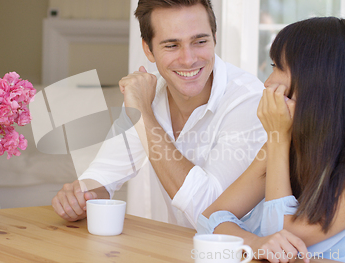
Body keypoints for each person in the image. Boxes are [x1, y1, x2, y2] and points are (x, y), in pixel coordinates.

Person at [197, 16, 345, 263]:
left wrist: (277, 136)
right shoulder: (289, 138)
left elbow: (286, 238)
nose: (268, 82)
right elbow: (210, 217)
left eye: (278, 68)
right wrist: (255, 243)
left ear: (316, 77)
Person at [52, 0, 266, 228]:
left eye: (200, 41)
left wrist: (143, 114)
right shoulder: (150, 93)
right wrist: (80, 197)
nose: (188, 59)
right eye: (172, 46)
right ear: (148, 49)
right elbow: (105, 175)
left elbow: (211, 213)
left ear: (214, 37)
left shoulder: (249, 99)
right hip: (175, 249)